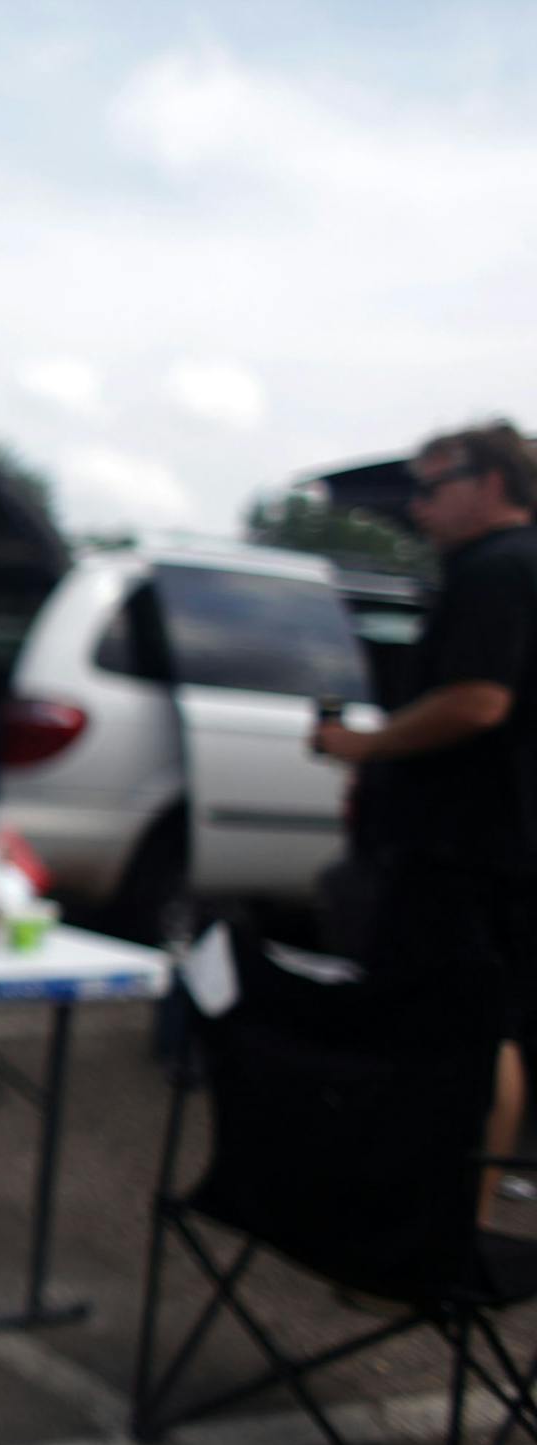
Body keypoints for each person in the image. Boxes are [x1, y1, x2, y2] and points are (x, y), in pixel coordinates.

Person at [315, 420, 537, 1225]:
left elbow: (479, 701)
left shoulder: (498, 568)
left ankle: (440, 1231)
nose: (417, 507)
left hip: (466, 851)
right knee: (478, 1025)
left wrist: (366, 745)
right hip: (486, 847)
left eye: (432, 487)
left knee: (469, 1030)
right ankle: (444, 1219)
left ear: (490, 483)